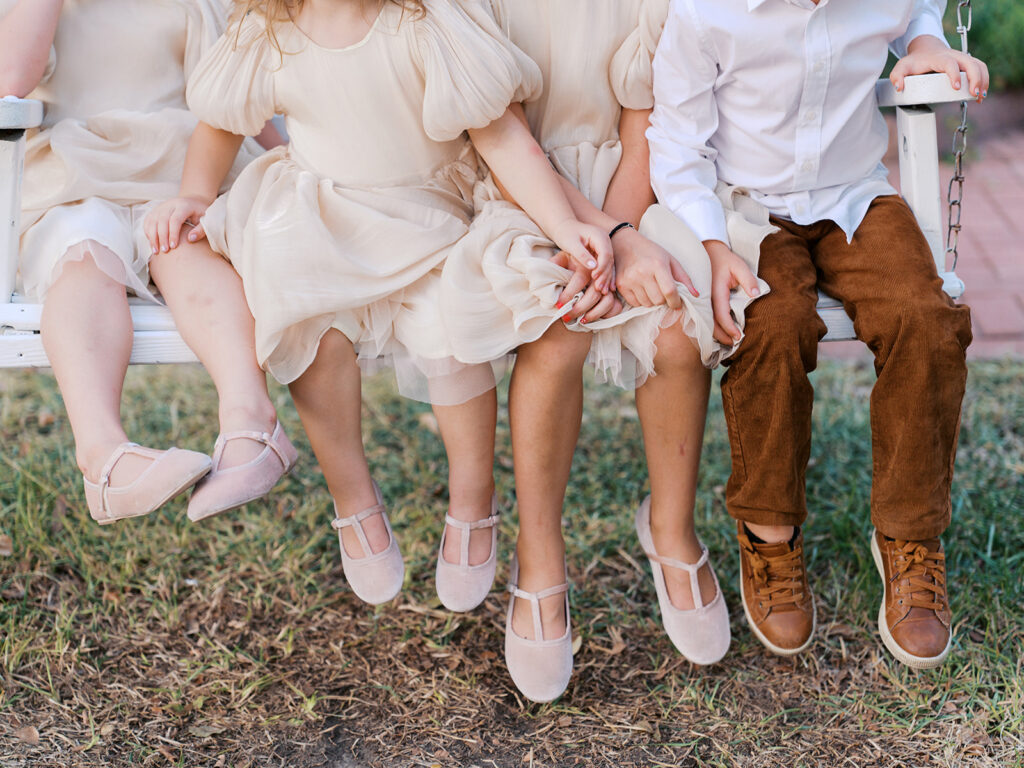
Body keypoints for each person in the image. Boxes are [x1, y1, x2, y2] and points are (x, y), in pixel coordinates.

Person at [146, 0, 614, 609]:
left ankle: (473, 500)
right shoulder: (268, 28)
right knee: (305, 313)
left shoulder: (425, 20)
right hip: (320, 210)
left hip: (428, 212)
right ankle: (353, 497)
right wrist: (193, 194)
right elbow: (219, 124)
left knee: (453, 320)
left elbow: (502, 138)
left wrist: (560, 221)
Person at [440, 0, 775, 701]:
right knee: (558, 332)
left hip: (632, 187)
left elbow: (644, 124)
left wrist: (624, 235)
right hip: (522, 194)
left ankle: (671, 528)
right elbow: (504, 141)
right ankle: (540, 558)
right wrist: (591, 237)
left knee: (680, 322)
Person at [649, 0, 986, 668]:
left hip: (852, 194)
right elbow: (678, 143)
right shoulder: (706, 12)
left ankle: (910, 536)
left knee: (925, 317)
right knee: (770, 322)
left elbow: (919, 8)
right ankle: (769, 533)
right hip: (746, 205)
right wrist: (713, 245)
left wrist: (925, 41)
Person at [0, 0, 297, 526]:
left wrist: (295, 159)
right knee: (84, 256)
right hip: (77, 177)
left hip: (181, 178)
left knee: (187, 251)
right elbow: (11, 79)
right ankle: (104, 457)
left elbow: (235, 101)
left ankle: (251, 423)